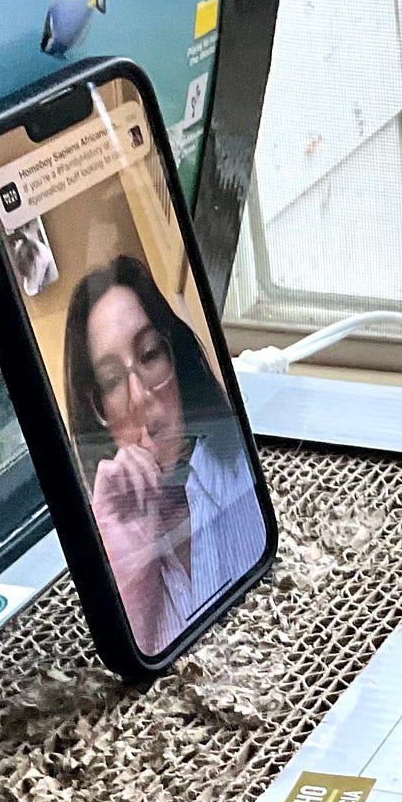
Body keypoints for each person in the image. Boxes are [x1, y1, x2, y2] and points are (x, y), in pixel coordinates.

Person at [61, 254, 267, 654]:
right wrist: (128, 561)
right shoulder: (102, 539)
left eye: (151, 354)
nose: (139, 396)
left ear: (175, 355)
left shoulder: (242, 470)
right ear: (96, 408)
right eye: (111, 381)